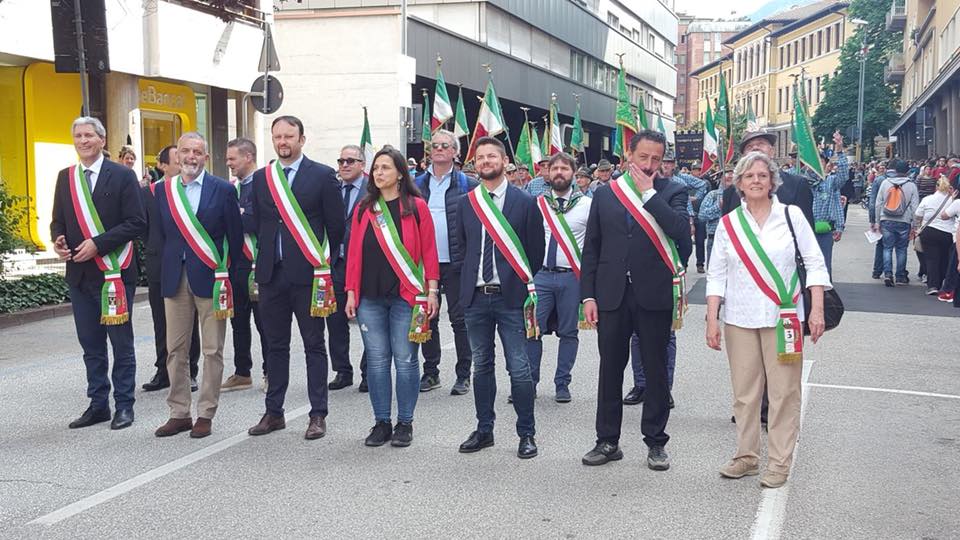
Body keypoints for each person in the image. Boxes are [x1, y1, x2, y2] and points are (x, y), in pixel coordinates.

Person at [706, 151, 829, 489]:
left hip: (784, 318)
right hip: (740, 318)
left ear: (773, 181)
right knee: (745, 394)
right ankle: (746, 456)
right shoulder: (729, 223)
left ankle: (779, 462)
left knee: (784, 393)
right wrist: (711, 319)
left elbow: (815, 264)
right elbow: (716, 274)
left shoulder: (791, 217)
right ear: (739, 184)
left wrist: (816, 309)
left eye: (763, 175)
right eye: (749, 176)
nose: (756, 180)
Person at [580, 130, 689, 470]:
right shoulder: (606, 194)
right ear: (629, 155)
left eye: (657, 159)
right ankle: (607, 440)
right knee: (610, 368)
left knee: (655, 370)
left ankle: (656, 442)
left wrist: (649, 193)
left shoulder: (674, 191)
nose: (650, 164)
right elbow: (593, 247)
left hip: (653, 292)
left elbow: (679, 231)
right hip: (612, 292)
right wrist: (588, 295)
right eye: (643, 157)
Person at [246, 116, 345, 440]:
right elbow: (258, 223)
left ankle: (318, 414)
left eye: (289, 136)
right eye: (277, 136)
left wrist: (324, 268)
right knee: (275, 346)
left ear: (302, 139)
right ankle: (274, 412)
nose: (283, 141)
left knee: (314, 344)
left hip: (308, 276)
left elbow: (336, 227)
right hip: (271, 275)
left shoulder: (323, 176)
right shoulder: (262, 178)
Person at [52, 116, 146, 430]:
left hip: (114, 273)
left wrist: (98, 245)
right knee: (91, 344)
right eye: (78, 135)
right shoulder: (66, 178)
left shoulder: (121, 175)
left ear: (102, 140)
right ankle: (98, 404)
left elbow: (136, 222)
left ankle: (124, 406)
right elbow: (58, 220)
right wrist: (59, 241)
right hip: (79, 274)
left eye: (89, 135)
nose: (83, 141)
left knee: (120, 342)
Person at [454, 136, 545, 459]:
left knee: (519, 369)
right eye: (480, 158)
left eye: (492, 156)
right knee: (482, 368)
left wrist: (520, 284)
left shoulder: (525, 202)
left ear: (504, 161)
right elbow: (461, 249)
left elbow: (536, 251)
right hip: (476, 298)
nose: (486, 162)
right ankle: (484, 430)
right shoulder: (467, 202)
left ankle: (526, 434)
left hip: (511, 298)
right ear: (474, 164)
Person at [344, 147, 440, 447]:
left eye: (385, 167)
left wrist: (432, 290)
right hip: (370, 297)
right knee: (376, 361)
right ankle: (381, 422)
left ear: (400, 173)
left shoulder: (416, 206)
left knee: (406, 359)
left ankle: (405, 423)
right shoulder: (364, 208)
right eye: (375, 168)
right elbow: (354, 254)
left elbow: (429, 251)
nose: (378, 173)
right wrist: (350, 292)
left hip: (406, 297)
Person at [152, 132, 243, 439]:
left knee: (212, 349)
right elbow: (159, 237)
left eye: (197, 152)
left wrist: (231, 279)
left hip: (212, 279)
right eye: (185, 151)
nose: (191, 157)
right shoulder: (163, 191)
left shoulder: (223, 190)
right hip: (174, 278)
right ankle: (179, 412)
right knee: (175, 349)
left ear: (206, 157)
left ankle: (205, 412)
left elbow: (235, 237)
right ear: (176, 155)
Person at [525, 152, 592, 403]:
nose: (559, 173)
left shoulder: (587, 205)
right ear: (547, 173)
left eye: (565, 168)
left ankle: (562, 384)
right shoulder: (537, 203)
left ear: (574, 174)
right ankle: (529, 383)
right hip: (541, 277)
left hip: (571, 278)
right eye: (555, 169)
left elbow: (594, 245)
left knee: (569, 332)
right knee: (532, 330)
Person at [414, 130, 477, 395]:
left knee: (459, 319)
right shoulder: (415, 183)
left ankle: (464, 374)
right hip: (424, 263)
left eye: (445, 145)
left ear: (455, 152)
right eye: (435, 145)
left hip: (456, 262)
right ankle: (431, 372)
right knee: (427, 318)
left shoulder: (467, 184)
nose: (439, 149)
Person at [141, 145, 201, 393]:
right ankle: (162, 369)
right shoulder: (150, 193)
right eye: (176, 159)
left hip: (187, 263)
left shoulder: (191, 191)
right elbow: (143, 227)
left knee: (190, 319)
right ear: (163, 166)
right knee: (160, 319)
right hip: (159, 262)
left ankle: (191, 370)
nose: (183, 161)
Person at [222, 138, 270, 393]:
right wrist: (240, 215)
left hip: (259, 264)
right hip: (236, 265)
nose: (228, 163)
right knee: (238, 321)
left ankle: (270, 372)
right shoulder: (231, 189)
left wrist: (241, 216)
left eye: (232, 158)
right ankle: (242, 372)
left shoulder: (264, 185)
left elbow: (254, 222)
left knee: (265, 322)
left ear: (248, 157)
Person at [327, 144, 370, 392]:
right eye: (341, 160)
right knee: (335, 321)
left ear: (362, 165)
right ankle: (342, 371)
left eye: (350, 161)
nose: (344, 165)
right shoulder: (332, 188)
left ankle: (368, 372)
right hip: (335, 263)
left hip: (364, 265)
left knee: (367, 319)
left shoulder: (372, 190)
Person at [721, 131, 814, 227]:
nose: (755, 148)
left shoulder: (797, 185)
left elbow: (807, 232)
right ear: (743, 156)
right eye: (749, 146)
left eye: (761, 143)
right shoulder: (731, 192)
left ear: (772, 151)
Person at [807, 131, 847, 277]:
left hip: (824, 231)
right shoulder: (801, 182)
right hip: (805, 230)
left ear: (826, 164)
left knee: (824, 266)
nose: (817, 165)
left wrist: (840, 150)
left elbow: (843, 176)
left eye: (821, 162)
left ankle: (825, 296)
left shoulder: (830, 182)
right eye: (814, 162)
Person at [662, 150, 709, 273]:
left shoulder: (680, 181)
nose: (666, 165)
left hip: (680, 220)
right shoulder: (653, 181)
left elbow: (687, 203)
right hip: (661, 221)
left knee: (686, 246)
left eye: (669, 162)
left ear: (674, 165)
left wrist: (691, 221)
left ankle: (683, 266)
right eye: (663, 162)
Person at [875, 159, 919, 287]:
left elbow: (878, 203)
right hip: (904, 220)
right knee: (901, 249)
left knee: (887, 248)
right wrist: (915, 225)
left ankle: (888, 274)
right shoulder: (911, 185)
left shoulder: (885, 183)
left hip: (886, 219)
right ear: (907, 171)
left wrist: (877, 221)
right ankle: (900, 276)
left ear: (895, 170)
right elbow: (915, 207)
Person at [914, 177, 957, 295]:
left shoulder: (928, 199)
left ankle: (933, 285)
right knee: (944, 259)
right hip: (947, 233)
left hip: (929, 232)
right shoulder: (952, 200)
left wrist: (918, 226)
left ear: (936, 186)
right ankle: (942, 283)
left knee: (932, 259)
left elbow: (918, 214)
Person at [698, 165, 735, 267]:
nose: (730, 176)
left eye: (732, 173)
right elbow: (702, 216)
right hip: (714, 239)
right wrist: (718, 206)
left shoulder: (742, 196)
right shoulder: (713, 195)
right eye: (726, 173)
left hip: (735, 240)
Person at [868, 162, 890, 279]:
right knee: (900, 248)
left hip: (882, 216)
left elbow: (873, 202)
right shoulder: (907, 181)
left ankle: (878, 271)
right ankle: (900, 274)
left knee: (882, 245)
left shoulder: (879, 180)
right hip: (901, 218)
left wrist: (872, 220)